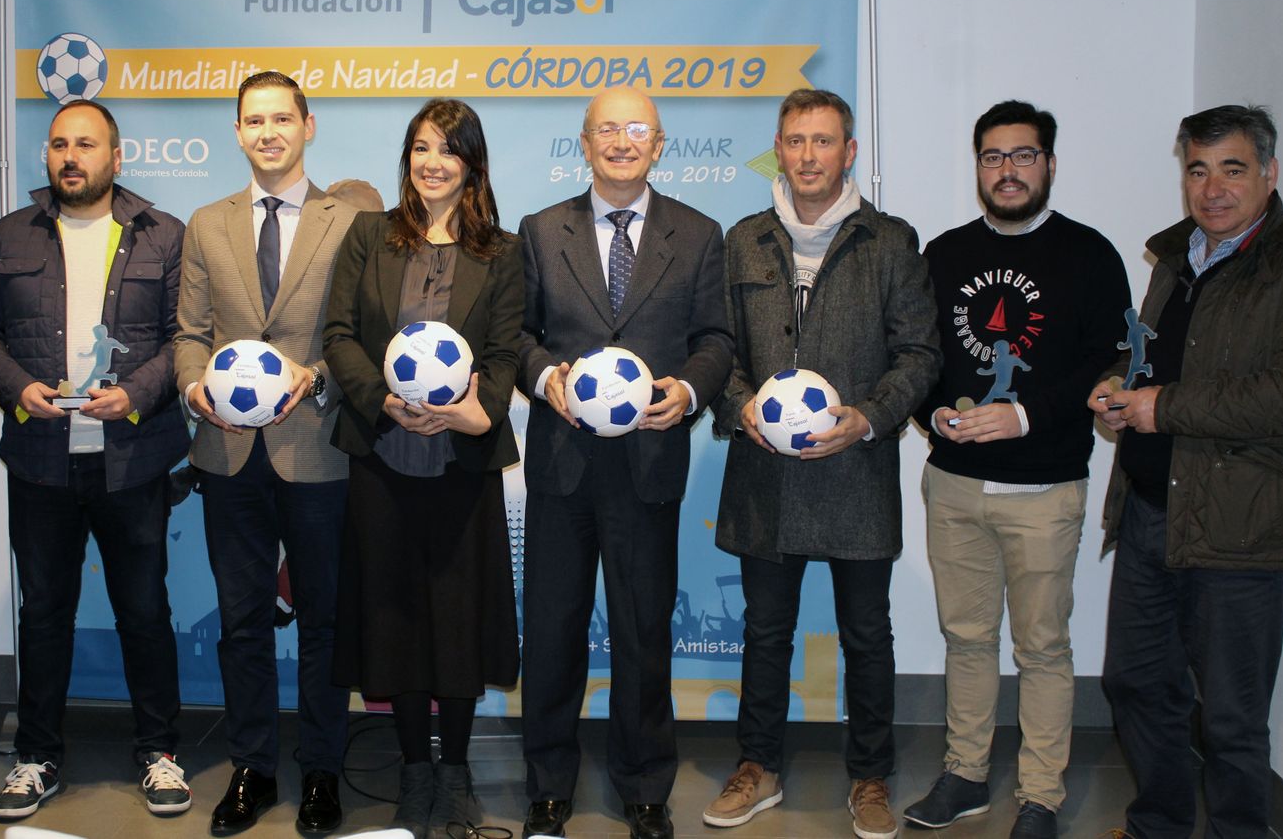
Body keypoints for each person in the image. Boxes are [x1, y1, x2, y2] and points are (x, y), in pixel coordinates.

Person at [1090, 105, 1283, 839]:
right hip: (1147, 511)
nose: (1213, 189)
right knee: (1136, 685)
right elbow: (1155, 357)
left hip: (1241, 526)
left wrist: (1161, 407)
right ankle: (1158, 827)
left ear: (1269, 173)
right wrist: (1119, 384)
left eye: (1232, 169)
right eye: (1197, 170)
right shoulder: (1178, 258)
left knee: (1231, 717)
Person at [702, 88, 939, 839]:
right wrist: (740, 405)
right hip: (764, 475)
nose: (807, 156)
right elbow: (718, 350)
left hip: (855, 473)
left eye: (823, 141)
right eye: (795, 141)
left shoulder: (891, 241)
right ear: (779, 148)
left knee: (866, 632)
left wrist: (869, 418)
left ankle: (870, 776)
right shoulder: (742, 240)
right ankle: (758, 767)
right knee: (765, 631)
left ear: (850, 151)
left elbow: (920, 353)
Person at [900, 101, 1130, 839]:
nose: (1007, 170)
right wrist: (933, 414)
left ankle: (1040, 796)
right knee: (966, 637)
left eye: (1023, 156)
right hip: (954, 484)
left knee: (1042, 647)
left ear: (1050, 165)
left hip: (1045, 486)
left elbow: (1109, 362)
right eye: (993, 156)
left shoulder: (1091, 255)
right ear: (977, 167)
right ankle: (965, 775)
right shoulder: (943, 254)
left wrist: (1026, 415)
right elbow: (920, 357)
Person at [517, 86, 734, 839]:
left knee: (643, 631)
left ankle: (645, 783)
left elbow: (717, 341)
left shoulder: (701, 234)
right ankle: (547, 783)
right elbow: (516, 338)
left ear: (660, 142)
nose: (620, 141)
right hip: (560, 464)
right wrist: (548, 381)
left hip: (648, 462)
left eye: (635, 129)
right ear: (584, 143)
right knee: (551, 631)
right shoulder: (542, 231)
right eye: (605, 129)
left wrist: (690, 389)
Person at [0, 100, 191, 821]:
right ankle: (36, 755)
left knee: (145, 611)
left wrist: (132, 394)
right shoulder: (9, 236)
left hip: (133, 457)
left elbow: (181, 340)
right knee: (44, 612)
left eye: (86, 144)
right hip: (41, 459)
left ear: (116, 157)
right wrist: (17, 388)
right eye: (60, 144)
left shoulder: (163, 236)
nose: (71, 156)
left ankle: (159, 752)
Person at [174, 70, 381, 837]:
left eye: (281, 119)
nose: (268, 132)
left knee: (325, 619)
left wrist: (319, 378)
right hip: (226, 452)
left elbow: (361, 333)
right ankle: (254, 768)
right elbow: (190, 330)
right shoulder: (207, 222)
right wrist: (193, 386)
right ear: (237, 133)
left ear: (308, 126)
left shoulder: (349, 220)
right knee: (240, 620)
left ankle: (322, 771)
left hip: (318, 451)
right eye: (253, 121)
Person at [323, 98, 522, 838]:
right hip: (383, 457)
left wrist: (478, 410)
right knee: (396, 616)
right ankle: (413, 773)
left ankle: (457, 774)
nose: (432, 161)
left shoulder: (500, 252)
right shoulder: (369, 236)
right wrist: (384, 401)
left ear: (472, 162)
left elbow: (504, 355)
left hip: (463, 464)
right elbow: (339, 334)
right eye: (420, 147)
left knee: (458, 619)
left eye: (448, 148)